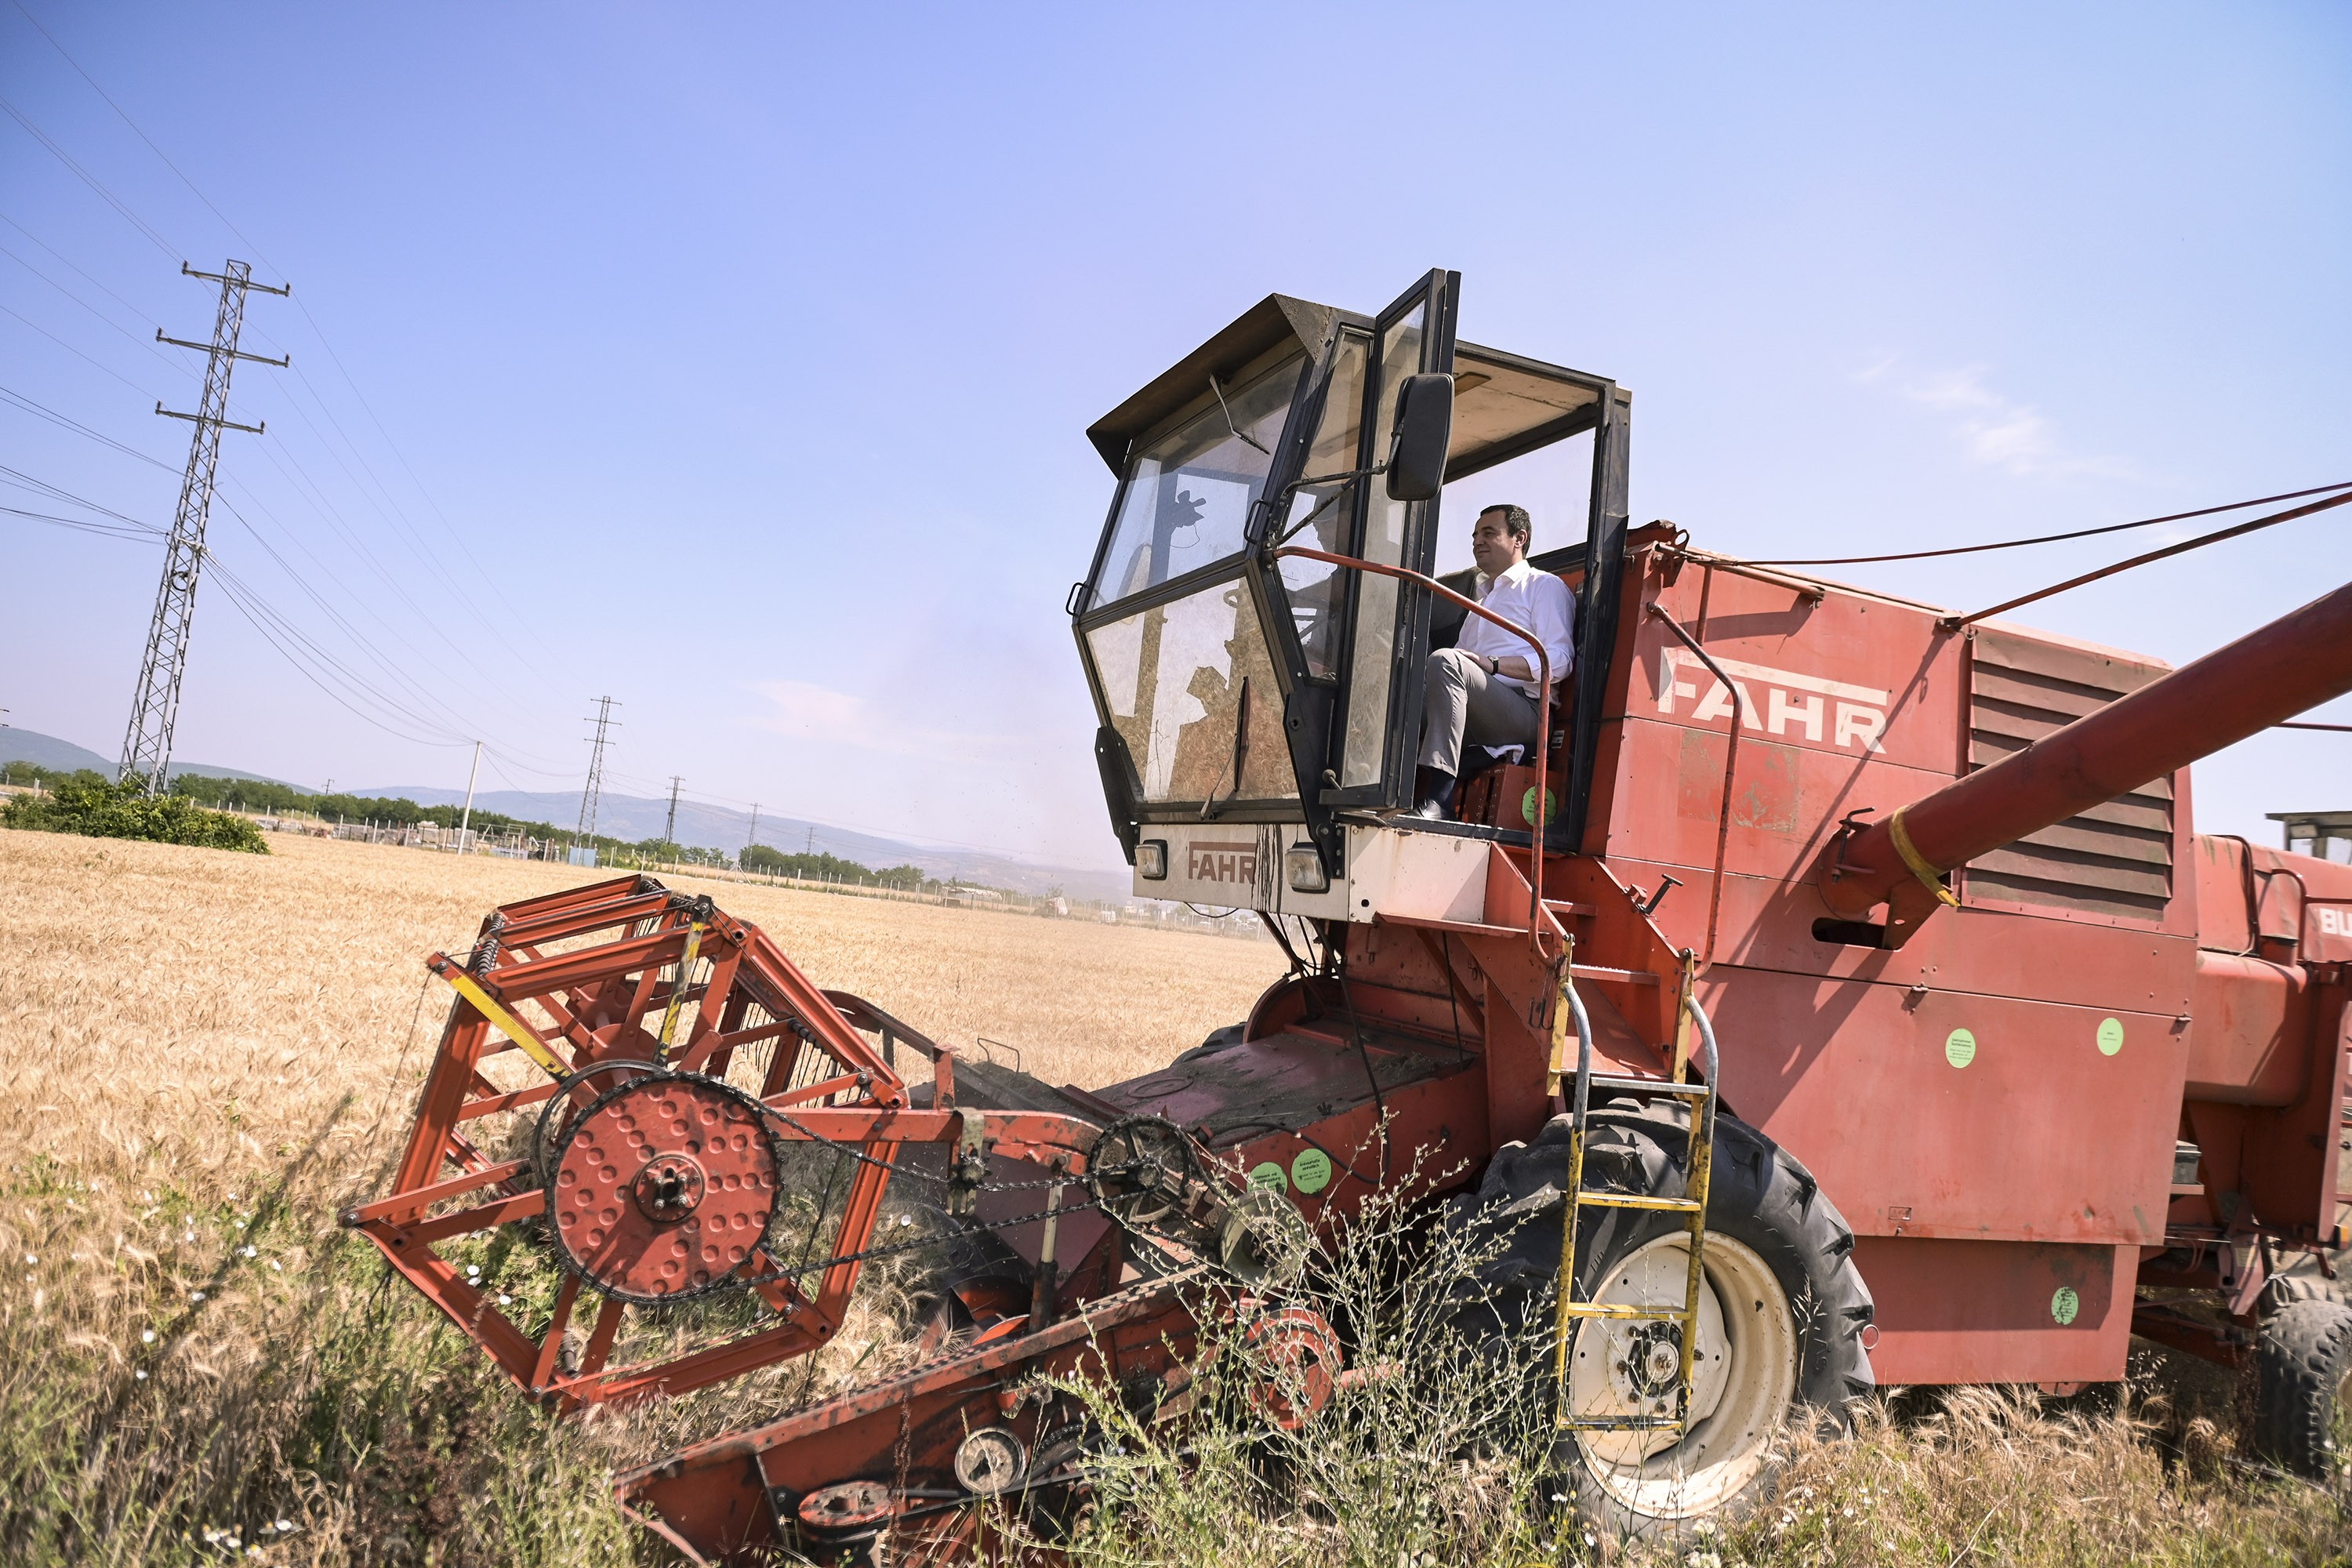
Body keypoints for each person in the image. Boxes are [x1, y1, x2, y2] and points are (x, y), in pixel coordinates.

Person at [1413, 503, 1575, 818]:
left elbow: (1560, 659)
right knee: (1398, 684)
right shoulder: (1482, 602)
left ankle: (1440, 798)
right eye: (1475, 535)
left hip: (1526, 714)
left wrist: (1493, 664)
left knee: (1447, 661)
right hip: (1479, 710)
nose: (1478, 541)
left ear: (1519, 538)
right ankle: (1380, 785)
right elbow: (1456, 665)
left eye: (1489, 533)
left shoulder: (1543, 586)